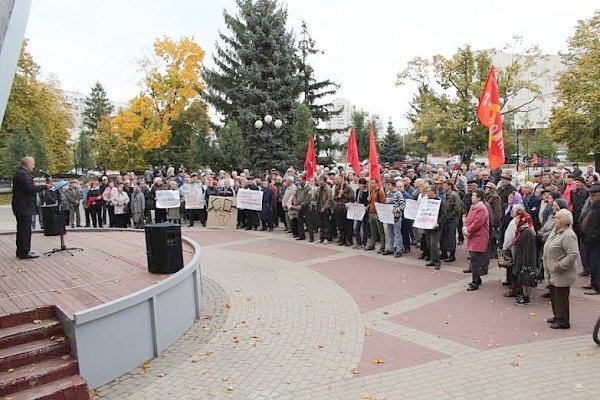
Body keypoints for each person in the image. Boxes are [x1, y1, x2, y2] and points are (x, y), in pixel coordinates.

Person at [543, 209, 579, 329]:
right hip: (552, 270)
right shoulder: (556, 231)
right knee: (554, 294)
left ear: (564, 220)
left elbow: (573, 254)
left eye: (557, 218)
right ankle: (557, 316)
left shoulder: (568, 235)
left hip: (561, 271)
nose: (555, 220)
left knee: (561, 296)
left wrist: (560, 265)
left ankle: (563, 320)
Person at [12, 156, 49, 259]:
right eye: (32, 164)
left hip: (22, 206)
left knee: (23, 229)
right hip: (23, 207)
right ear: (27, 164)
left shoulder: (21, 174)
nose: (33, 166)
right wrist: (44, 187)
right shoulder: (22, 175)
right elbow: (30, 189)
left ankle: (22, 251)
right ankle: (24, 252)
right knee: (24, 230)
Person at [463, 189, 490, 291]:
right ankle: (477, 279)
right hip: (472, 236)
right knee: (474, 259)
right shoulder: (473, 207)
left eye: (473, 195)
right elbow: (468, 218)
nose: (471, 197)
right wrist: (465, 227)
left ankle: (475, 282)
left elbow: (477, 223)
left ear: (479, 197)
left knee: (475, 260)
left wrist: (468, 230)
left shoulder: (482, 209)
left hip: (479, 237)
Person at [512, 212, 538, 306]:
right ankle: (524, 295)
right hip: (521, 258)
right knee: (523, 280)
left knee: (526, 280)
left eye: (518, 218)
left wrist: (525, 263)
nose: (516, 220)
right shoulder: (521, 230)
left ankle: (526, 298)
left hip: (526, 261)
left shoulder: (527, 232)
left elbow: (528, 249)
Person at [579, 184, 600, 295]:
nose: (591, 198)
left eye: (594, 195)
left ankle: (597, 286)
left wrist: (593, 236)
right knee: (591, 263)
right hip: (588, 239)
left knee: (596, 264)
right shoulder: (593, 205)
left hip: (595, 241)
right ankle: (593, 283)